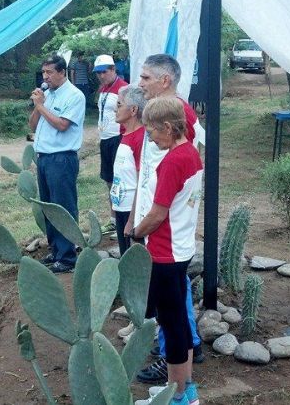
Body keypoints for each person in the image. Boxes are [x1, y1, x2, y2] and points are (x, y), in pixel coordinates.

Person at [130, 54, 203, 387]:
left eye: (153, 131)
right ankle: (185, 388)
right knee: (177, 325)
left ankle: (177, 392)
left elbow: (160, 212)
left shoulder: (174, 160)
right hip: (179, 247)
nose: (151, 136)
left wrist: (136, 233)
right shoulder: (188, 155)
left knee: (172, 324)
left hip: (163, 250)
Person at [30, 54, 86, 274]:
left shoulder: (74, 96)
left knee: (63, 207)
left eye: (50, 72)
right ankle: (55, 249)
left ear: (62, 72)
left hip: (62, 158)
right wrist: (37, 105)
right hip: (44, 157)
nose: (46, 77)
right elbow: (33, 126)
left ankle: (67, 257)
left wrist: (42, 107)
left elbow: (62, 125)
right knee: (48, 207)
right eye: (44, 72)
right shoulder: (47, 95)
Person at [94, 54, 129, 236]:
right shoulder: (103, 89)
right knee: (108, 180)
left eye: (104, 71)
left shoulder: (123, 88)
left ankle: (124, 221)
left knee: (120, 180)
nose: (101, 75)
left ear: (114, 70)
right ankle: (114, 219)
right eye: (98, 72)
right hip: (105, 139)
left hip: (118, 138)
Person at [110, 85, 146, 257]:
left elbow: (141, 180)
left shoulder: (140, 138)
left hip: (132, 210)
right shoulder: (125, 135)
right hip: (121, 208)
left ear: (133, 110)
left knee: (132, 258)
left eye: (119, 104)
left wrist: (132, 219)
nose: (115, 108)